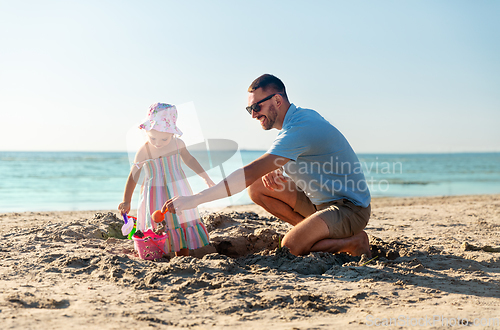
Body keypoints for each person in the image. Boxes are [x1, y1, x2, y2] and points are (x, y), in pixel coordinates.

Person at [162, 74, 372, 257]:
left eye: (256, 107)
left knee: (289, 248)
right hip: (320, 203)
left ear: (277, 100)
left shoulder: (299, 128)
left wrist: (195, 199)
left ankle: (353, 242)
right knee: (258, 187)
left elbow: (248, 173)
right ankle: (309, 232)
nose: (253, 114)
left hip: (349, 209)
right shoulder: (299, 120)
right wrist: (279, 169)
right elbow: (312, 159)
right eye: (249, 109)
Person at [118, 103, 215, 257]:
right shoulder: (144, 150)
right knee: (158, 224)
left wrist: (205, 177)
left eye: (164, 139)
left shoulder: (178, 144)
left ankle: (182, 255)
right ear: (147, 132)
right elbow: (134, 175)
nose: (157, 142)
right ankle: (157, 253)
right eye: (153, 137)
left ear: (172, 133)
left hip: (178, 189)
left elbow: (190, 160)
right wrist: (126, 200)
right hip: (154, 194)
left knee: (181, 220)